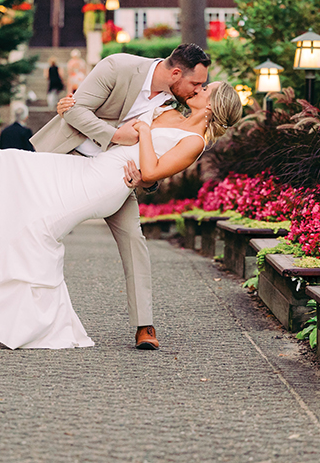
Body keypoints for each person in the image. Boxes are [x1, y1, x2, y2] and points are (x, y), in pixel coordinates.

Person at [0, 77, 241, 350]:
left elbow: (150, 172)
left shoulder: (195, 141)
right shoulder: (167, 109)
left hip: (106, 183)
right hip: (91, 165)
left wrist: (147, 133)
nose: (199, 88)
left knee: (40, 229)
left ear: (212, 103)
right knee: (13, 161)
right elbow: (114, 126)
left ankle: (38, 324)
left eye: (205, 88)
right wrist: (72, 108)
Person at [28, 42, 211, 350]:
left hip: (117, 178)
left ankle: (144, 325)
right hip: (66, 156)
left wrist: (145, 181)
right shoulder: (118, 67)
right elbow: (74, 111)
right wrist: (114, 135)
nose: (197, 90)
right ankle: (32, 311)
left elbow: (158, 154)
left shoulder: (173, 105)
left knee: (134, 240)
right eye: (195, 83)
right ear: (176, 73)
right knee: (39, 228)